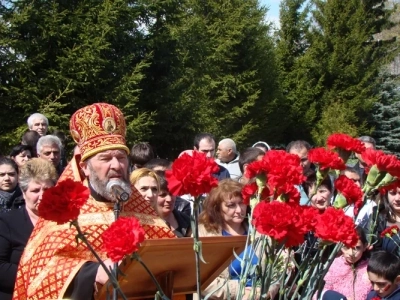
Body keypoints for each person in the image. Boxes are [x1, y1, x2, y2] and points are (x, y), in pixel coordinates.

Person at [13, 103, 175, 300]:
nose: (116, 165)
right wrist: (93, 272)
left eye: (121, 157)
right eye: (105, 158)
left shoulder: (141, 210)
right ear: (85, 167)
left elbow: (171, 259)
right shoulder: (66, 212)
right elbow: (38, 273)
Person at [0, 158, 58, 300]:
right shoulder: (7, 222)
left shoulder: (65, 222)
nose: (42, 196)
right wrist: (43, 276)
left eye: (47, 189)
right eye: (35, 190)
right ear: (24, 192)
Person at [319, 227, 371, 300]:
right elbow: (320, 293)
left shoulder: (371, 267)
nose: (351, 253)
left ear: (365, 246)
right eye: (346, 247)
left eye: (357, 248)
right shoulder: (333, 265)